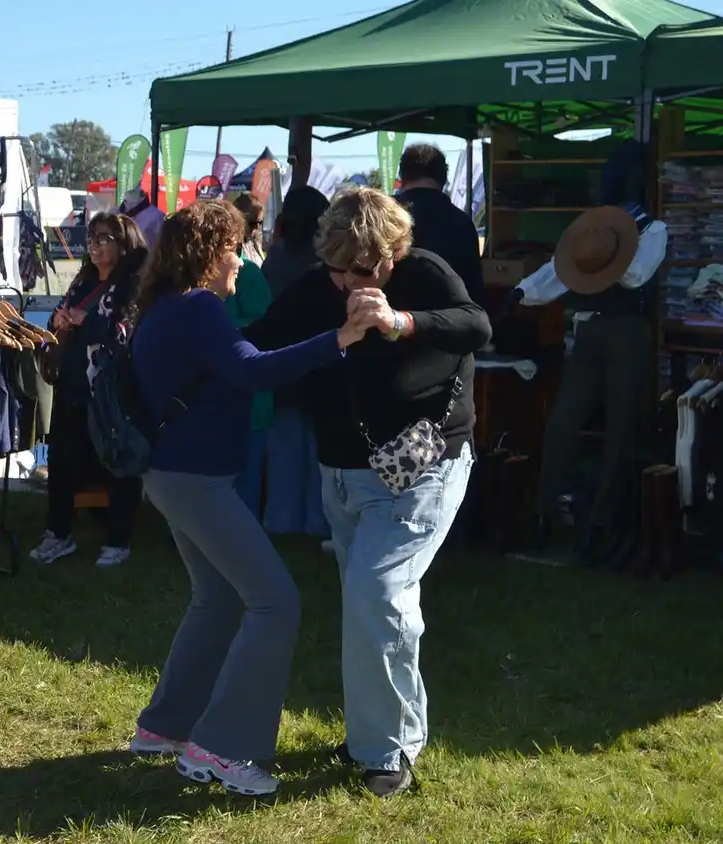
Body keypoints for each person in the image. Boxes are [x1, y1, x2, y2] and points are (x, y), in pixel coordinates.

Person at [243, 186, 491, 797]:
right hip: (344, 472)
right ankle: (376, 735)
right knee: (369, 605)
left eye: (357, 271)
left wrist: (400, 322)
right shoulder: (318, 285)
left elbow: (475, 325)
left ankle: (388, 749)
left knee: (377, 595)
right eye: (335, 270)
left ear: (391, 254)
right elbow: (260, 339)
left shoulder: (424, 272)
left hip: (423, 470)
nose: (344, 283)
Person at [125, 200, 371, 796]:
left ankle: (165, 727)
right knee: (275, 602)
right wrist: (339, 338)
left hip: (172, 475)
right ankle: (223, 748)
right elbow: (252, 371)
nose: (242, 259)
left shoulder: (165, 305)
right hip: (195, 480)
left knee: (217, 598)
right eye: (235, 248)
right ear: (209, 254)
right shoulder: (199, 307)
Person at [512, 141, 664, 566]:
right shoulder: (595, 228)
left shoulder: (653, 229)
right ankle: (544, 515)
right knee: (564, 421)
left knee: (620, 429)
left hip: (629, 329)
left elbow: (635, 275)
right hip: (592, 326)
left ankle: (600, 526)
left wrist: (607, 250)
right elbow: (561, 268)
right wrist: (523, 292)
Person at [30, 212, 148, 567]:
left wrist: (87, 320)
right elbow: (58, 316)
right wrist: (59, 319)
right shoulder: (83, 280)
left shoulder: (134, 285)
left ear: (124, 244)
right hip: (72, 384)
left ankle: (118, 540)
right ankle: (58, 533)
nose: (94, 245)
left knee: (116, 462)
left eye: (104, 238)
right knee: (62, 461)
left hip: (112, 391)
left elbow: (126, 334)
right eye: (92, 237)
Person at [259, 187, 333, 539]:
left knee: (284, 448)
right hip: (321, 363)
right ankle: (318, 522)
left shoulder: (275, 259)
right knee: (319, 451)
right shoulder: (327, 262)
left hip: (281, 363)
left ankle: (281, 520)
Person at [225, 198, 274, 519]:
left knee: (244, 483)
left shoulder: (250, 274)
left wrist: (219, 332)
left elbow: (263, 327)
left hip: (246, 401)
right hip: (207, 402)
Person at [397, 143, 485, 307]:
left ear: (402, 177)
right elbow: (475, 292)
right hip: (447, 318)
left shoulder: (379, 217)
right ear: (443, 179)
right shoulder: (462, 223)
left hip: (384, 317)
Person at [233, 193, 268, 267]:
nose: (257, 227)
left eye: (260, 223)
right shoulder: (231, 246)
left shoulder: (256, 241)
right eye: (252, 223)